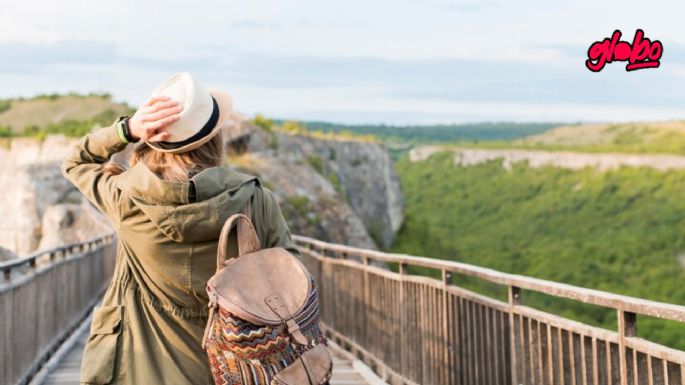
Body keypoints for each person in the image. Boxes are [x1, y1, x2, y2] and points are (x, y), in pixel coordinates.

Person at [62, 73, 299, 385]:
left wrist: (127, 129)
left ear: (154, 140)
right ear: (214, 138)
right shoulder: (256, 200)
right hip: (236, 365)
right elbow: (291, 272)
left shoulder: (125, 197)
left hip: (141, 366)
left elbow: (75, 162)